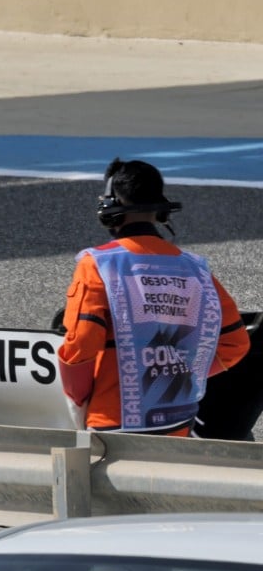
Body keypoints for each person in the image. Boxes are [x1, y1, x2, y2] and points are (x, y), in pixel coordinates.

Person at [59, 158, 248, 437]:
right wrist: (180, 375)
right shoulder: (195, 269)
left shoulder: (98, 265)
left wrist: (78, 398)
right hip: (178, 421)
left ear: (111, 204)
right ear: (160, 210)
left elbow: (81, 344)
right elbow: (235, 342)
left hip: (114, 422)